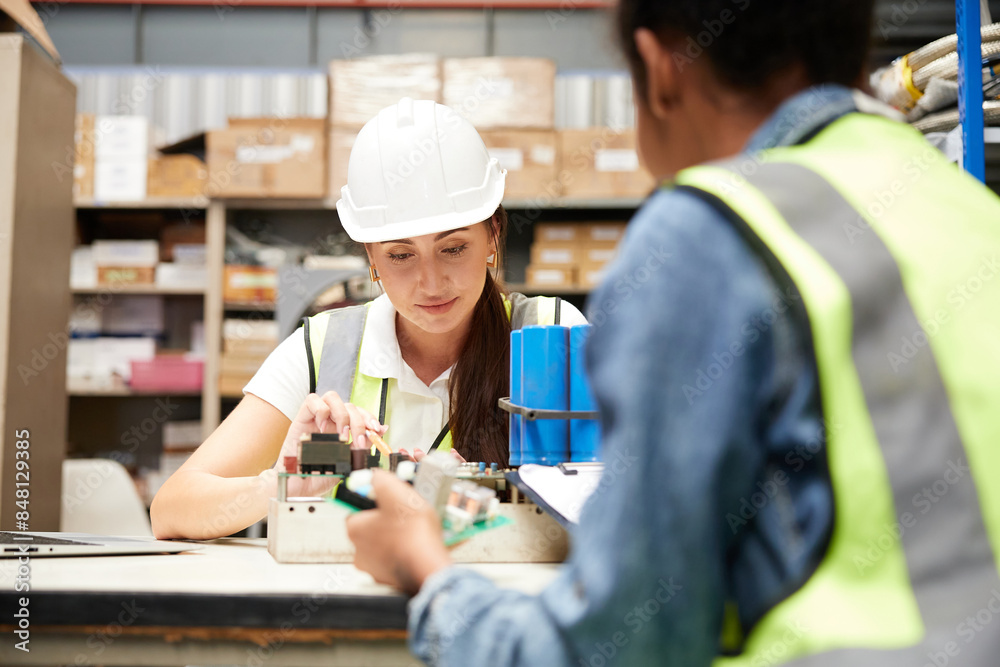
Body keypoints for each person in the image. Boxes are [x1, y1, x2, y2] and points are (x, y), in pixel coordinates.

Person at [345, 1, 1000, 665]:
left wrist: (431, 575)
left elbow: (616, 647)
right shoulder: (968, 209)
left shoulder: (707, 233)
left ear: (661, 72)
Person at [150, 98, 586, 540]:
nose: (430, 283)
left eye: (453, 248)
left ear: (492, 235)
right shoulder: (324, 347)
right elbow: (170, 510)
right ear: (371, 258)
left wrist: (477, 495)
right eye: (400, 255)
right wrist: (281, 485)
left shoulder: (554, 333)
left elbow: (627, 496)